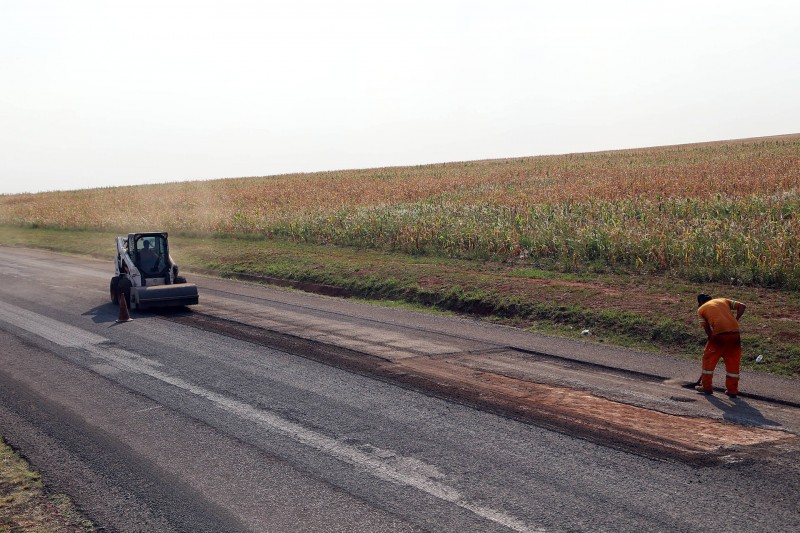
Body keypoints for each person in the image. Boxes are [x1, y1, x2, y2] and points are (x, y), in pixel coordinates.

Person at [696, 293, 746, 397]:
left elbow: (707, 329)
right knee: (733, 363)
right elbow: (742, 306)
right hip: (735, 335)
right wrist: (736, 319)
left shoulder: (701, 309)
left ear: (700, 302)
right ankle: (732, 390)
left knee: (708, 360)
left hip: (719, 335)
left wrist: (711, 338)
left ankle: (706, 387)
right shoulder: (723, 300)